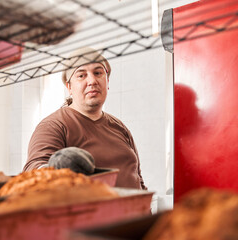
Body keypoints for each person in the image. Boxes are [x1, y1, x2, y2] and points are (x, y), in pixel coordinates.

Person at [23, 47, 147, 189]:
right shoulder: (53, 126)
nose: (92, 80)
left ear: (107, 82)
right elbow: (34, 172)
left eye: (98, 73)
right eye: (81, 75)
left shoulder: (119, 127)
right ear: (69, 87)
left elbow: (138, 178)